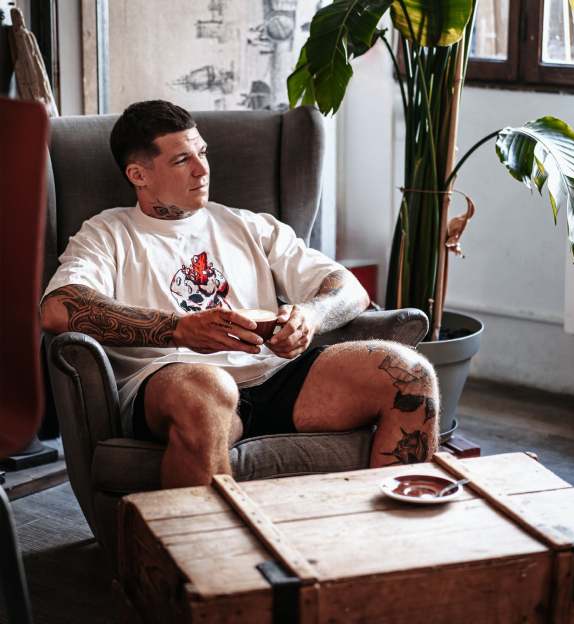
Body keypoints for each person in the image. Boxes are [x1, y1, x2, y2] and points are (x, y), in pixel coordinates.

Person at [40, 100, 439, 488]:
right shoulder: (107, 234)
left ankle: (390, 526)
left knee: (410, 373)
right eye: (181, 160)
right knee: (208, 391)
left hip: (274, 374)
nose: (202, 169)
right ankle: (200, 536)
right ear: (138, 175)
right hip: (177, 380)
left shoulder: (248, 225)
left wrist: (310, 317)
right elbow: (58, 308)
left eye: (202, 152)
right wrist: (179, 329)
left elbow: (347, 287)